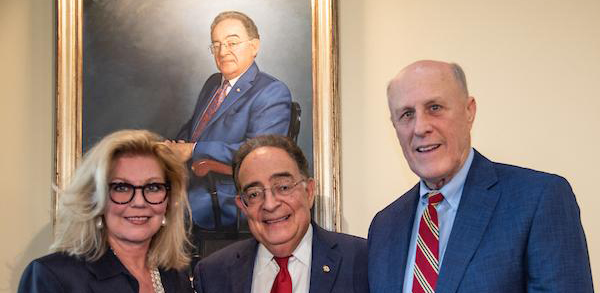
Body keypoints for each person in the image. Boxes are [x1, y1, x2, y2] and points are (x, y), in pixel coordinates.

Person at [368, 60, 594, 292]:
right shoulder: (384, 227)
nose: (420, 127)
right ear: (394, 126)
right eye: (406, 114)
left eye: (434, 107)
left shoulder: (539, 200)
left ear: (469, 111)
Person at [18, 130, 194, 293]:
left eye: (153, 187)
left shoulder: (176, 277)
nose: (139, 202)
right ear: (95, 199)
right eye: (122, 187)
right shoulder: (54, 276)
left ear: (169, 200)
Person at [193, 135, 368, 293]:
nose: (270, 204)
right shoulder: (212, 275)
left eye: (283, 187)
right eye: (254, 194)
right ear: (242, 206)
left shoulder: (363, 261)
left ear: (309, 192)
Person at [167, 11, 292, 230]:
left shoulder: (272, 92)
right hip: (190, 184)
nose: (223, 52)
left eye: (232, 43)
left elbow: (259, 155)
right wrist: (174, 147)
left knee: (149, 210)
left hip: (228, 195)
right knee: (130, 201)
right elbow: (194, 130)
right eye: (216, 45)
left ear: (254, 46)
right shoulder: (213, 84)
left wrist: (193, 150)